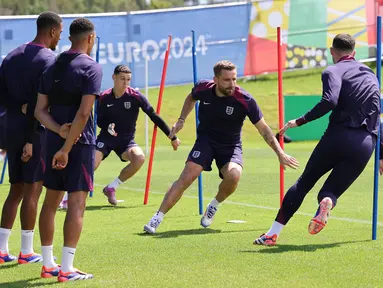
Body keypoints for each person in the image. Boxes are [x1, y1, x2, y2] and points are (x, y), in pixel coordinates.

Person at [254, 34, 382, 246]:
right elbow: (378, 114)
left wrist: (301, 120)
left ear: (332, 51)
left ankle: (272, 234)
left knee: (304, 182)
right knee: (330, 191)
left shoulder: (332, 70)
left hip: (338, 136)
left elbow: (329, 100)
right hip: (366, 143)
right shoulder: (371, 74)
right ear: (355, 52)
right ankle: (327, 201)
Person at [143, 60, 299, 234]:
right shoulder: (203, 88)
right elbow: (191, 97)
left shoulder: (245, 100)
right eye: (227, 80)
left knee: (233, 176)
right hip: (205, 141)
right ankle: (157, 217)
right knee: (187, 177)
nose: (232, 84)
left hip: (231, 146)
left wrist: (280, 153)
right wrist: (181, 120)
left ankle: (214, 205)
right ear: (215, 79)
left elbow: (264, 130)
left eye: (234, 79)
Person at [35, 17, 102, 281]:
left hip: (51, 142)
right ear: (90, 38)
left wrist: (58, 133)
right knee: (76, 203)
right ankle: (66, 268)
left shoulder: (50, 67)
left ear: (69, 37)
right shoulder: (91, 68)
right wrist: (66, 146)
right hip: (80, 144)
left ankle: (48, 264)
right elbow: (84, 113)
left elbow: (40, 111)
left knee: (50, 201)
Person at [0, 11, 62, 264]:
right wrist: (30, 135)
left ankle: (2, 250)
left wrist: (16, 112)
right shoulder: (49, 59)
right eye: (59, 32)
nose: (60, 37)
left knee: (15, 190)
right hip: (33, 133)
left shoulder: (11, 56)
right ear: (52, 31)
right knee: (32, 191)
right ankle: (26, 251)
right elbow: (43, 101)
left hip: (10, 129)